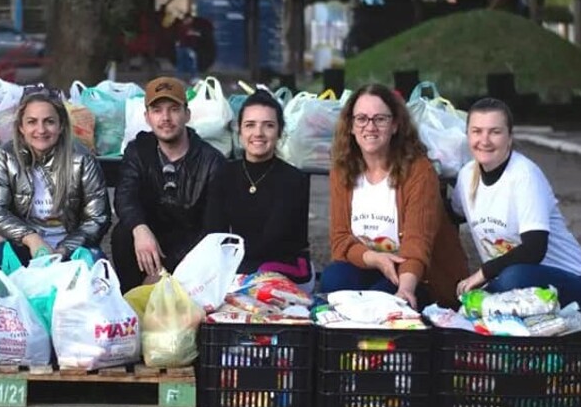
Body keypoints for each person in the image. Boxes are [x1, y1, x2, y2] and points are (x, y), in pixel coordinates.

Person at [320, 84, 468, 309]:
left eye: (380, 119)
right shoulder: (342, 170)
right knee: (334, 279)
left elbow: (417, 244)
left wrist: (405, 289)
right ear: (350, 125)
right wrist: (376, 259)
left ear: (395, 125)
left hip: (417, 275)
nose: (370, 127)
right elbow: (340, 240)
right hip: (373, 265)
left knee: (381, 301)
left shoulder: (418, 171)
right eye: (361, 119)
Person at [452, 98, 581, 314]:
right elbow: (450, 214)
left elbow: (534, 249)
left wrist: (483, 273)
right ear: (467, 136)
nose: (485, 140)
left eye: (495, 132)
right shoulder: (466, 176)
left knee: (513, 276)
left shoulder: (524, 175)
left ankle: (487, 299)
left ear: (509, 137)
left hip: (571, 284)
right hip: (508, 282)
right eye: (477, 131)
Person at [112, 76, 226, 292]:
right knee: (124, 233)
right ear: (147, 117)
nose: (165, 117)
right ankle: (131, 301)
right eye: (157, 110)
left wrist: (164, 273)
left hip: (193, 254)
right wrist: (140, 228)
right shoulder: (138, 151)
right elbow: (125, 197)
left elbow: (213, 230)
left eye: (173, 109)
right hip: (150, 245)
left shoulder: (212, 161)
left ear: (187, 114)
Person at [0, 86, 111, 266]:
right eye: (32, 122)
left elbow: (98, 217)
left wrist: (64, 250)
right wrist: (30, 238)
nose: (41, 130)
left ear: (61, 125)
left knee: (95, 260)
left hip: (69, 246)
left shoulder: (82, 159)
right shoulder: (4, 156)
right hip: (22, 243)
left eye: (49, 121)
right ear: (21, 127)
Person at [204, 91, 312, 290]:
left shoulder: (294, 179)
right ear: (239, 131)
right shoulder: (224, 174)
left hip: (284, 265)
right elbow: (215, 233)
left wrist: (233, 268)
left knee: (255, 280)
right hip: (241, 264)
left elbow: (275, 240)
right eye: (250, 125)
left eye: (268, 125)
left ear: (280, 131)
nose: (258, 133)